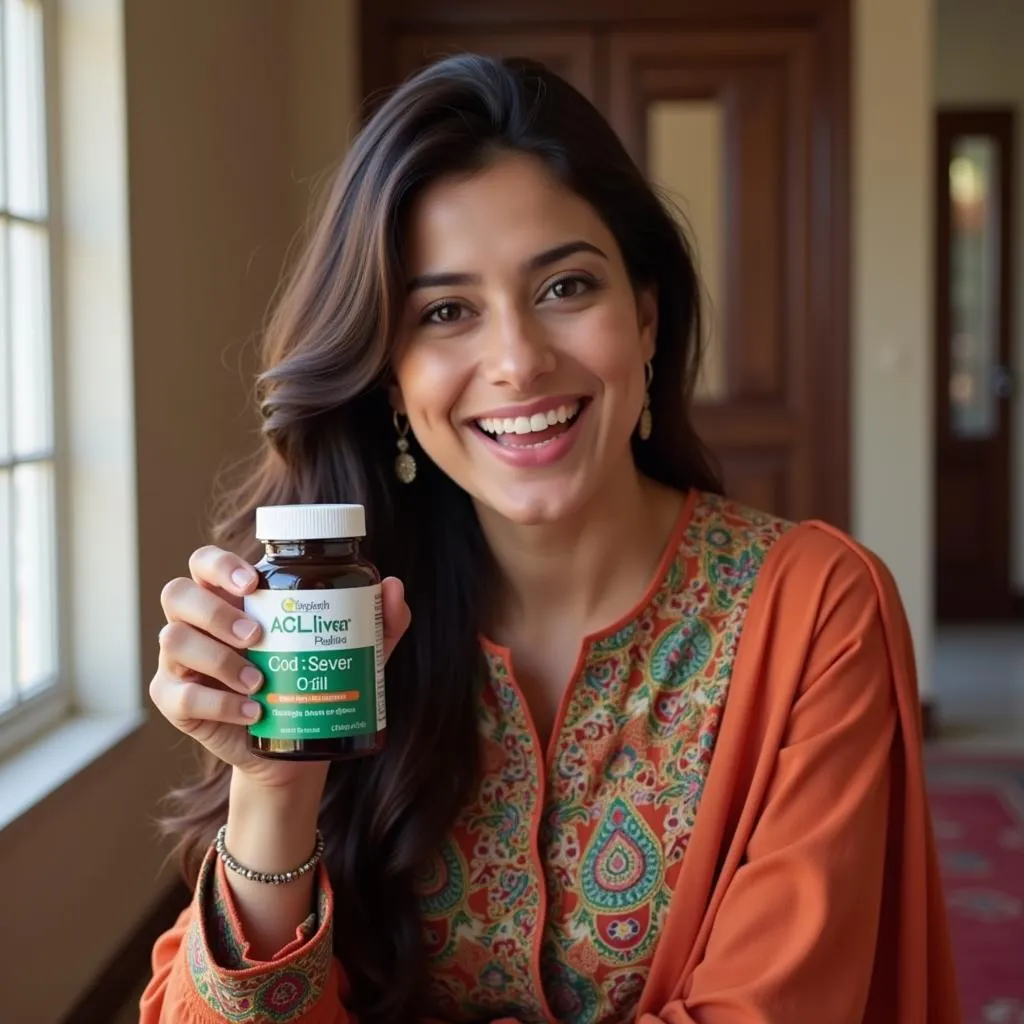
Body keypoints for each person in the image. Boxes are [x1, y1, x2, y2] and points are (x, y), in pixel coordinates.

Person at [141, 54, 959, 1024]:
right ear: (387, 372)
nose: (519, 362)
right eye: (445, 311)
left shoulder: (816, 608)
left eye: (565, 287)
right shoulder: (323, 631)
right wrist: (272, 786)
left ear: (645, 319)